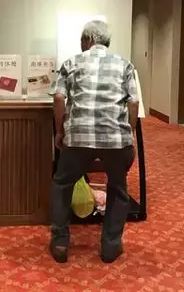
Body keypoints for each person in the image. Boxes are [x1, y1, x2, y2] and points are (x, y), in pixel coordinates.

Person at [49, 20, 139, 264]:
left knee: (62, 183)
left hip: (79, 137)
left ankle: (60, 242)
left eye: (82, 39)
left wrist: (60, 131)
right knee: (118, 187)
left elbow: (58, 98)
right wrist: (129, 132)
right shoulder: (124, 64)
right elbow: (133, 102)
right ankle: (110, 246)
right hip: (115, 138)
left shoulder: (72, 62)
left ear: (87, 40)